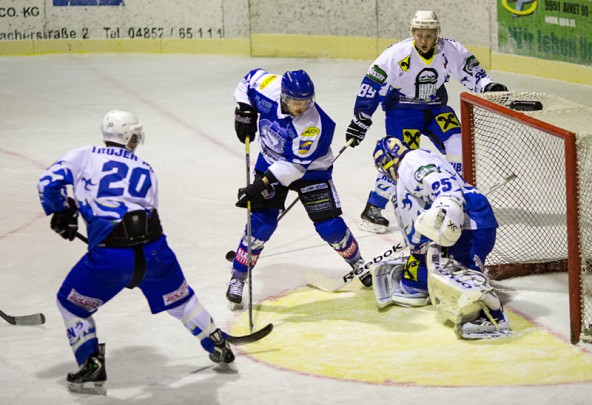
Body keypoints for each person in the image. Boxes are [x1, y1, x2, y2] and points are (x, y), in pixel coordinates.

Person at [38, 110, 236, 395]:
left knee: (72, 305)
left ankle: (92, 366)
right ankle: (216, 341)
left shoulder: (83, 155)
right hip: (156, 252)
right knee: (181, 300)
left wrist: (62, 213)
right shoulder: (146, 167)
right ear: (130, 136)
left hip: (111, 258)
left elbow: (47, 183)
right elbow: (145, 209)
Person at [345, 10, 508, 234]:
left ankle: (453, 199)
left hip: (435, 108)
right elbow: (372, 84)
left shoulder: (449, 49)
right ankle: (373, 208)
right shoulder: (396, 54)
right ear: (413, 33)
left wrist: (487, 86)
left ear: (436, 34)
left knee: (459, 144)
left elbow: (470, 70)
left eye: (429, 35)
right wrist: (361, 117)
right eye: (419, 35)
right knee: (402, 159)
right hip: (402, 110)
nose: (424, 40)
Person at [228, 68, 369, 305]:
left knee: (330, 226)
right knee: (261, 224)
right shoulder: (269, 88)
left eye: (306, 102)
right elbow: (248, 80)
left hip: (312, 171)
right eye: (295, 102)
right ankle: (238, 276)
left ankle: (357, 261)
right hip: (271, 160)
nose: (301, 107)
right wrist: (244, 110)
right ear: (283, 95)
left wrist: (258, 186)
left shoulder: (313, 124)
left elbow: (293, 167)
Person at [369, 137, 510, 339]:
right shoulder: (410, 167)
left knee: (461, 276)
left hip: (469, 225)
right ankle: (422, 285)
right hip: (461, 226)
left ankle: (493, 317)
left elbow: (444, 185)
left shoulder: (412, 160)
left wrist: (447, 207)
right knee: (429, 274)